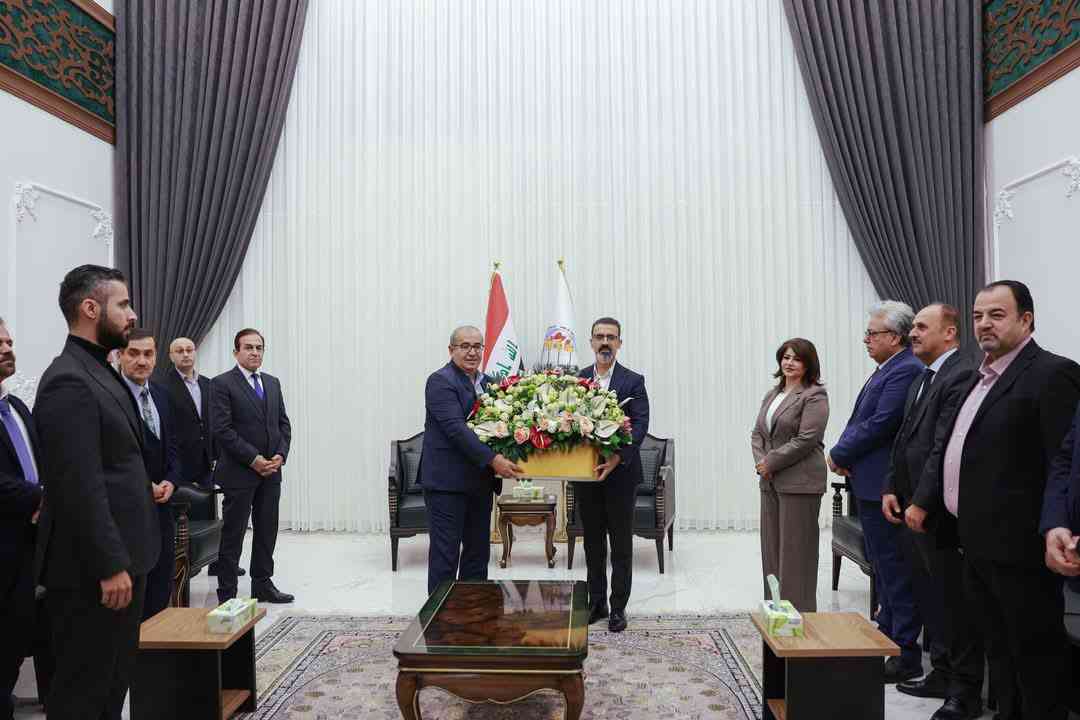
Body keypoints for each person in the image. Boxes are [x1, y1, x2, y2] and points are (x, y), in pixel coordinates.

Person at [916, 280, 1080, 720]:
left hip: (1022, 551)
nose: (984, 324)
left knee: (1034, 660)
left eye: (996, 314)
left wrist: (1058, 529)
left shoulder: (1053, 374)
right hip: (974, 543)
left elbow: (1062, 464)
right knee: (1000, 656)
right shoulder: (979, 377)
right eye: (977, 316)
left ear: (1026, 319)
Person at [33, 265, 158, 720]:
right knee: (83, 695)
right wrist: (109, 564)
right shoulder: (68, 379)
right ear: (90, 308)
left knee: (110, 688)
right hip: (95, 576)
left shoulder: (99, 369)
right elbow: (78, 485)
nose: (132, 314)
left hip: (125, 560)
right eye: (122, 304)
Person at [881, 304, 982, 720]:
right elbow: (904, 438)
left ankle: (963, 689)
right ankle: (940, 672)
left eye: (922, 327)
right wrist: (891, 486)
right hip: (909, 506)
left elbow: (943, 446)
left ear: (950, 333)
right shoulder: (924, 376)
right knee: (931, 599)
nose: (913, 334)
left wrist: (922, 501)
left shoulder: (961, 374)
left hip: (938, 513)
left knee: (952, 604)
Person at [827, 300, 924, 682]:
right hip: (867, 482)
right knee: (882, 567)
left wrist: (839, 453)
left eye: (872, 333)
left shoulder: (906, 370)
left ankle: (905, 651)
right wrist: (844, 453)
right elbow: (860, 421)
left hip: (886, 487)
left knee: (894, 569)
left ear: (895, 337)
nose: (866, 339)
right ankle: (886, 633)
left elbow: (882, 423)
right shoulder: (886, 369)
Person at [420, 326, 522, 595]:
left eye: (477, 346)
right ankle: (440, 617)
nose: (472, 352)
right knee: (445, 556)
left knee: (477, 557)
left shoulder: (490, 384)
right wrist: (494, 459)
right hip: (447, 486)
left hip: (479, 483)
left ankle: (473, 612)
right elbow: (456, 429)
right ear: (451, 350)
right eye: (464, 346)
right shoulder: (440, 381)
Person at [575, 317, 650, 633]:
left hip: (621, 475)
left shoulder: (633, 381)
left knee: (620, 544)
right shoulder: (577, 380)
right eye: (599, 336)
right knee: (592, 543)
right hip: (586, 475)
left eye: (611, 337)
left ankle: (618, 607)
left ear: (619, 343)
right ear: (591, 342)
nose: (605, 342)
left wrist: (617, 458)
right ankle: (597, 604)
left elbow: (640, 425)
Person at [211, 328, 293, 603]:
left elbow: (283, 424)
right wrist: (253, 459)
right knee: (233, 534)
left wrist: (280, 455)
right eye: (248, 347)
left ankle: (262, 584)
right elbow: (222, 430)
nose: (255, 352)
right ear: (236, 352)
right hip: (239, 473)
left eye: (259, 348)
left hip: (271, 472)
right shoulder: (222, 384)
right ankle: (227, 594)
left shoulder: (272, 383)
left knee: (267, 531)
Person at [751, 338, 829, 612]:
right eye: (786, 357)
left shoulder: (814, 395)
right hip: (770, 481)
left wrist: (770, 462)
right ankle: (776, 612)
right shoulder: (773, 394)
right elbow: (758, 434)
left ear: (808, 364)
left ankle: (799, 615)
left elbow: (807, 439)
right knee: (772, 552)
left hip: (800, 483)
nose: (789, 363)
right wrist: (762, 464)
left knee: (796, 554)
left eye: (796, 358)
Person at [118, 329, 181, 619]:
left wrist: (171, 481)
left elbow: (174, 448)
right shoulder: (111, 397)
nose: (142, 361)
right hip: (127, 513)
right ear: (119, 355)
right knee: (133, 604)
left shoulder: (162, 395)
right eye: (134, 353)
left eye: (148, 354)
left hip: (163, 509)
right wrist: (145, 486)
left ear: (156, 358)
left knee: (159, 589)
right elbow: (111, 459)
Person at [0, 319, 42, 720]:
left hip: (29, 549)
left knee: (14, 645)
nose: (6, 348)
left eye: (9, 341)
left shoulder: (17, 408)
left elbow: (40, 465)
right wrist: (42, 497)